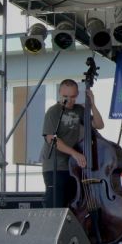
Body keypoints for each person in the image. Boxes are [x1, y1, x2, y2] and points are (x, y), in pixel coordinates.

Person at [41, 79, 103, 208]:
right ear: (59, 93)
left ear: (77, 94)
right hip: (55, 166)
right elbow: (51, 139)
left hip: (72, 167)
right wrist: (74, 153)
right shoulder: (53, 111)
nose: (69, 100)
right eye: (66, 96)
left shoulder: (79, 110)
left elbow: (99, 125)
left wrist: (92, 104)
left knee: (72, 205)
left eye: (73, 97)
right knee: (56, 206)